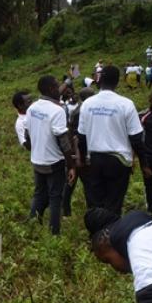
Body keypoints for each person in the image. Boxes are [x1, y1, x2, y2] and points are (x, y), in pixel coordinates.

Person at [78, 66, 151, 215]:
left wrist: (85, 159)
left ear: (100, 80)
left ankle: (96, 234)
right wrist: (144, 164)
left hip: (95, 159)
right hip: (118, 162)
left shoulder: (87, 104)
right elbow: (136, 138)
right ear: (117, 82)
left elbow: (81, 137)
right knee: (114, 203)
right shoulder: (125, 104)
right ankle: (110, 234)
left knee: (95, 202)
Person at [24, 75, 77, 234]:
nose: (60, 88)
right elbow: (64, 142)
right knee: (55, 198)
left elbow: (28, 135)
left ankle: (33, 225)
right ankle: (54, 233)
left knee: (39, 194)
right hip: (54, 162)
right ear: (50, 89)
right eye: (56, 86)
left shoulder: (32, 107)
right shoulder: (57, 110)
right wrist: (71, 166)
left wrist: (38, 148)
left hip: (37, 160)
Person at [63, 87, 95, 216]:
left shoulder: (79, 110)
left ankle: (66, 211)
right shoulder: (82, 111)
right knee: (80, 182)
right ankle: (90, 210)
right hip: (80, 153)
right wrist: (76, 155)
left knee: (71, 183)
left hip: (77, 152)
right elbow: (74, 134)